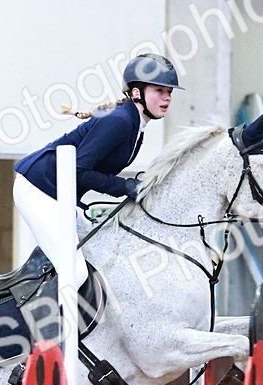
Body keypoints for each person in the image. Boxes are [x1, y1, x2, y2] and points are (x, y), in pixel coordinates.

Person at [13, 52, 182, 288]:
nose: (166, 98)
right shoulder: (120, 121)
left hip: (61, 195)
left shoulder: (135, 124)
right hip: (39, 189)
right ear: (136, 93)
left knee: (100, 260)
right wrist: (124, 186)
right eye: (159, 91)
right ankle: (38, 323)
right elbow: (78, 170)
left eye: (169, 92)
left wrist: (131, 185)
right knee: (76, 274)